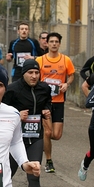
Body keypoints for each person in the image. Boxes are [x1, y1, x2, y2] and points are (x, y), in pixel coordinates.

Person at [2, 59, 52, 187]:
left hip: (35, 137)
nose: (34, 76)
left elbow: (47, 102)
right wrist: (17, 114)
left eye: (37, 73)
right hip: (14, 140)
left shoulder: (44, 88)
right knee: (6, 175)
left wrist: (46, 110)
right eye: (30, 72)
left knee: (35, 174)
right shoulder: (12, 89)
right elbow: (0, 111)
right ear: (24, 74)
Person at [35, 32, 75, 173]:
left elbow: (71, 75)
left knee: (56, 135)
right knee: (48, 131)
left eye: (56, 41)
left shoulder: (65, 60)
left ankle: (41, 137)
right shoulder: (40, 60)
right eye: (51, 41)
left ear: (59, 44)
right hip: (45, 101)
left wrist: (66, 84)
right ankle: (49, 160)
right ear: (47, 43)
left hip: (59, 101)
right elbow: (34, 76)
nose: (53, 44)